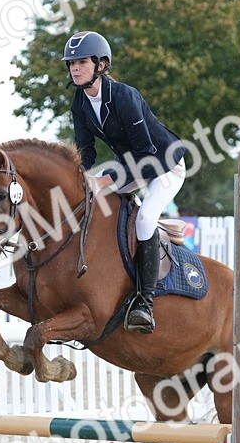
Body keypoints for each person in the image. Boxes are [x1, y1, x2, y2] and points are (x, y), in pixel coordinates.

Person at [63, 30, 187, 334]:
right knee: (90, 199)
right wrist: (76, 175)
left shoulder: (125, 97)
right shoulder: (80, 102)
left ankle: (145, 302)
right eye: (71, 64)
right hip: (131, 164)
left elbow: (146, 153)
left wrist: (105, 179)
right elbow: (86, 150)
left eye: (81, 62)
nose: (75, 69)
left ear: (101, 65)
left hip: (164, 164)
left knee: (144, 219)